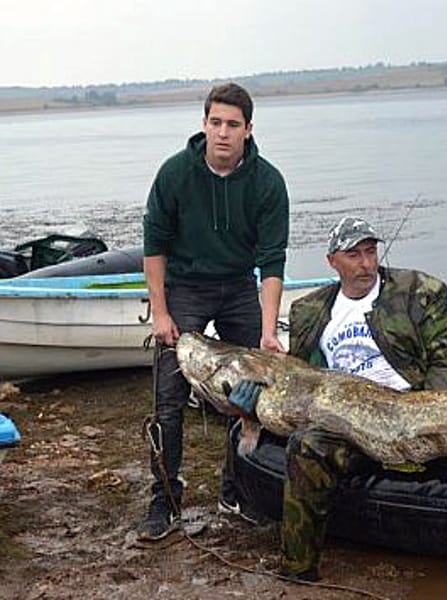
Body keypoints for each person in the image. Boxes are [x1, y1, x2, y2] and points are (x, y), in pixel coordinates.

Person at [229, 216, 447, 588]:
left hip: (413, 408)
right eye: (354, 255)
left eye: (370, 252)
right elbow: (301, 380)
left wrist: (424, 409)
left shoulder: (420, 291)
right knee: (306, 447)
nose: (366, 263)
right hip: (346, 423)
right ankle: (299, 566)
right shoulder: (308, 311)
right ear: (332, 261)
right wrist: (251, 404)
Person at [137, 82, 289, 541]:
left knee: (252, 395)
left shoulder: (268, 183)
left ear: (248, 129)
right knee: (168, 398)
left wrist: (267, 332)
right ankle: (165, 498)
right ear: (204, 124)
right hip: (185, 286)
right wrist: (161, 313)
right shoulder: (174, 174)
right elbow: (154, 246)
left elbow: (272, 262)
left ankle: (236, 490)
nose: (223, 133)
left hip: (239, 287)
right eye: (215, 122)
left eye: (233, 125)